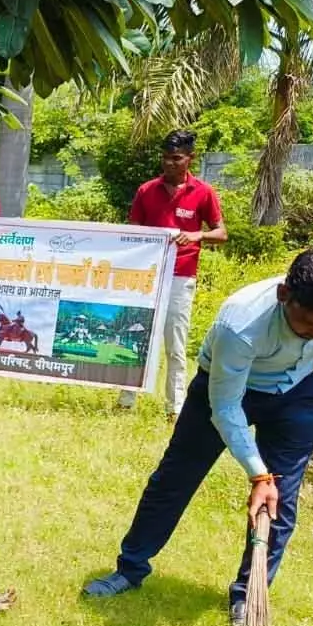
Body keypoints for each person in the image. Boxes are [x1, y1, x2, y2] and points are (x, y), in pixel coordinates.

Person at [84, 248, 313, 626]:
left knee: (280, 502)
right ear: (284, 296)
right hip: (224, 388)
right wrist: (258, 474)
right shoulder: (240, 324)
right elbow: (225, 409)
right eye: (308, 327)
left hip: (297, 388)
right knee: (175, 480)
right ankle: (130, 569)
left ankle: (248, 595)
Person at [119, 130, 227, 419]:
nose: (169, 164)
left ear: (190, 159)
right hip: (148, 276)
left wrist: (195, 236)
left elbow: (221, 233)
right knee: (137, 338)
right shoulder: (146, 191)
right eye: (165, 158)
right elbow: (133, 232)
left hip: (181, 276)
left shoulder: (203, 192)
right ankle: (126, 400)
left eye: (176, 158)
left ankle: (175, 407)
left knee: (175, 345)